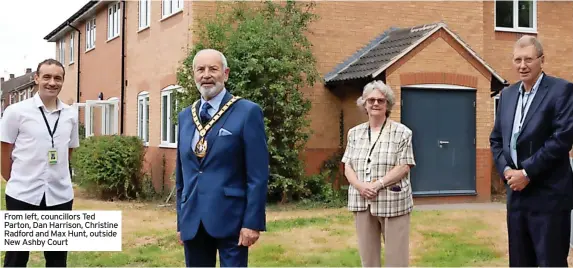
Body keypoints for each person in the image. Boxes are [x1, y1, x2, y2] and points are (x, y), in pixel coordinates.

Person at [175, 48, 269, 267]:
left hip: (232, 219)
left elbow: (258, 174)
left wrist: (252, 223)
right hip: (193, 220)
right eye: (201, 69)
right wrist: (182, 221)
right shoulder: (185, 116)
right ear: (194, 75)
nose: (206, 74)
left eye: (213, 69)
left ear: (225, 74)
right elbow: (182, 174)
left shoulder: (247, 112)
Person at [490, 35, 573, 267]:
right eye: (517, 60)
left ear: (542, 60)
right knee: (519, 262)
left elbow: (562, 139)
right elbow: (496, 139)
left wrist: (526, 173)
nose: (522, 65)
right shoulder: (507, 95)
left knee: (550, 262)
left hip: (549, 197)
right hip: (516, 197)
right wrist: (507, 171)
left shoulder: (562, 91)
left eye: (528, 59)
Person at [0, 59, 80, 267]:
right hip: (23, 194)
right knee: (16, 257)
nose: (52, 82)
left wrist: (55, 175)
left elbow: (68, 150)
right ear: (36, 78)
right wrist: (16, 179)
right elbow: (4, 150)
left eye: (57, 78)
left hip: (59, 196)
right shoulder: (16, 112)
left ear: (62, 81)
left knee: (56, 258)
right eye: (47, 77)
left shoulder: (70, 114)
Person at [341, 80, 416, 267]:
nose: (375, 104)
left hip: (393, 201)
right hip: (361, 200)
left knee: (396, 258)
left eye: (381, 100)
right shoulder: (354, 133)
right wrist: (360, 186)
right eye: (371, 100)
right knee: (368, 258)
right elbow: (347, 165)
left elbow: (404, 165)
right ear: (364, 103)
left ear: (387, 104)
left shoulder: (402, 132)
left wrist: (378, 184)